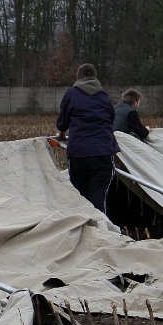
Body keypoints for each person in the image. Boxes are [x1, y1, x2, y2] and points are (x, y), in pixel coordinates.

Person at [55, 63, 120, 216]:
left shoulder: (71, 94)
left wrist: (62, 134)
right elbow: (111, 118)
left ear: (78, 78)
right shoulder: (104, 96)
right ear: (95, 78)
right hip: (103, 152)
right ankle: (100, 229)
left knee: (81, 196)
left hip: (78, 152)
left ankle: (85, 228)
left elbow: (62, 122)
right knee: (99, 194)